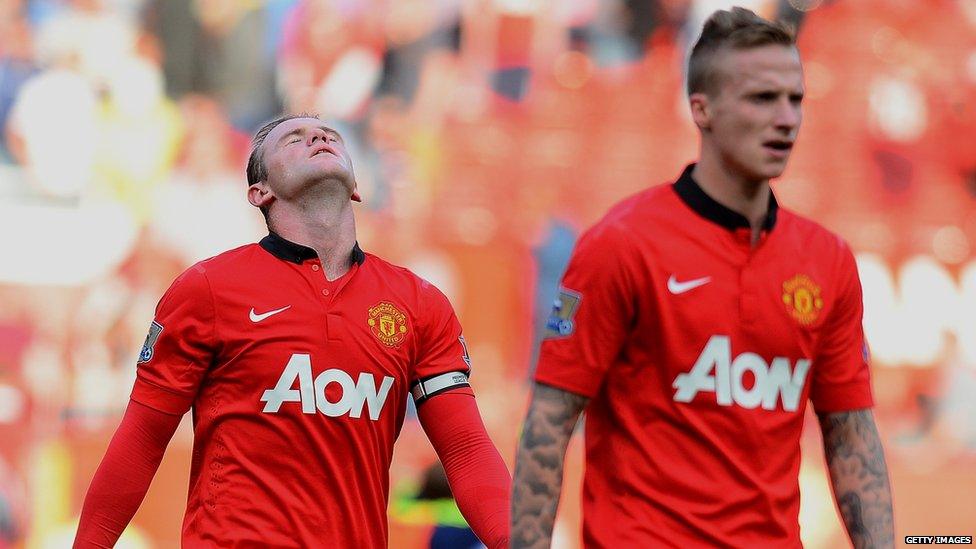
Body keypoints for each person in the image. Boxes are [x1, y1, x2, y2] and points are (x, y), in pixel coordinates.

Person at [511, 7, 893, 549]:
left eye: (795, 99)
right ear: (702, 109)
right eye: (762, 98)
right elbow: (548, 424)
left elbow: (851, 434)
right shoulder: (620, 245)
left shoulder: (826, 260)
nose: (786, 118)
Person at [74, 114, 511, 548]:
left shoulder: (418, 303)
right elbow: (141, 440)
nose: (318, 136)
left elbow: (467, 450)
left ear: (356, 187)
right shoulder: (207, 289)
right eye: (293, 139)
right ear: (259, 192)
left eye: (329, 136)